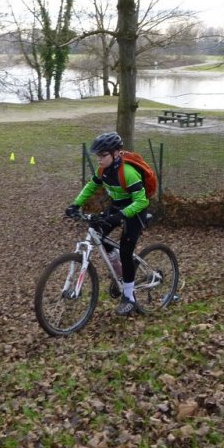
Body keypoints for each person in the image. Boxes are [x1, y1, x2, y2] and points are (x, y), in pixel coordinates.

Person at [64, 132, 150, 316]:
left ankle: (129, 297)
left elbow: (142, 201)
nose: (100, 160)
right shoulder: (103, 170)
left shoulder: (128, 172)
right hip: (118, 206)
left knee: (126, 251)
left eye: (103, 156)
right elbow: (91, 186)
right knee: (97, 232)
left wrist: (121, 216)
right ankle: (120, 272)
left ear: (116, 153)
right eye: (98, 156)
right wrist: (75, 204)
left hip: (136, 209)